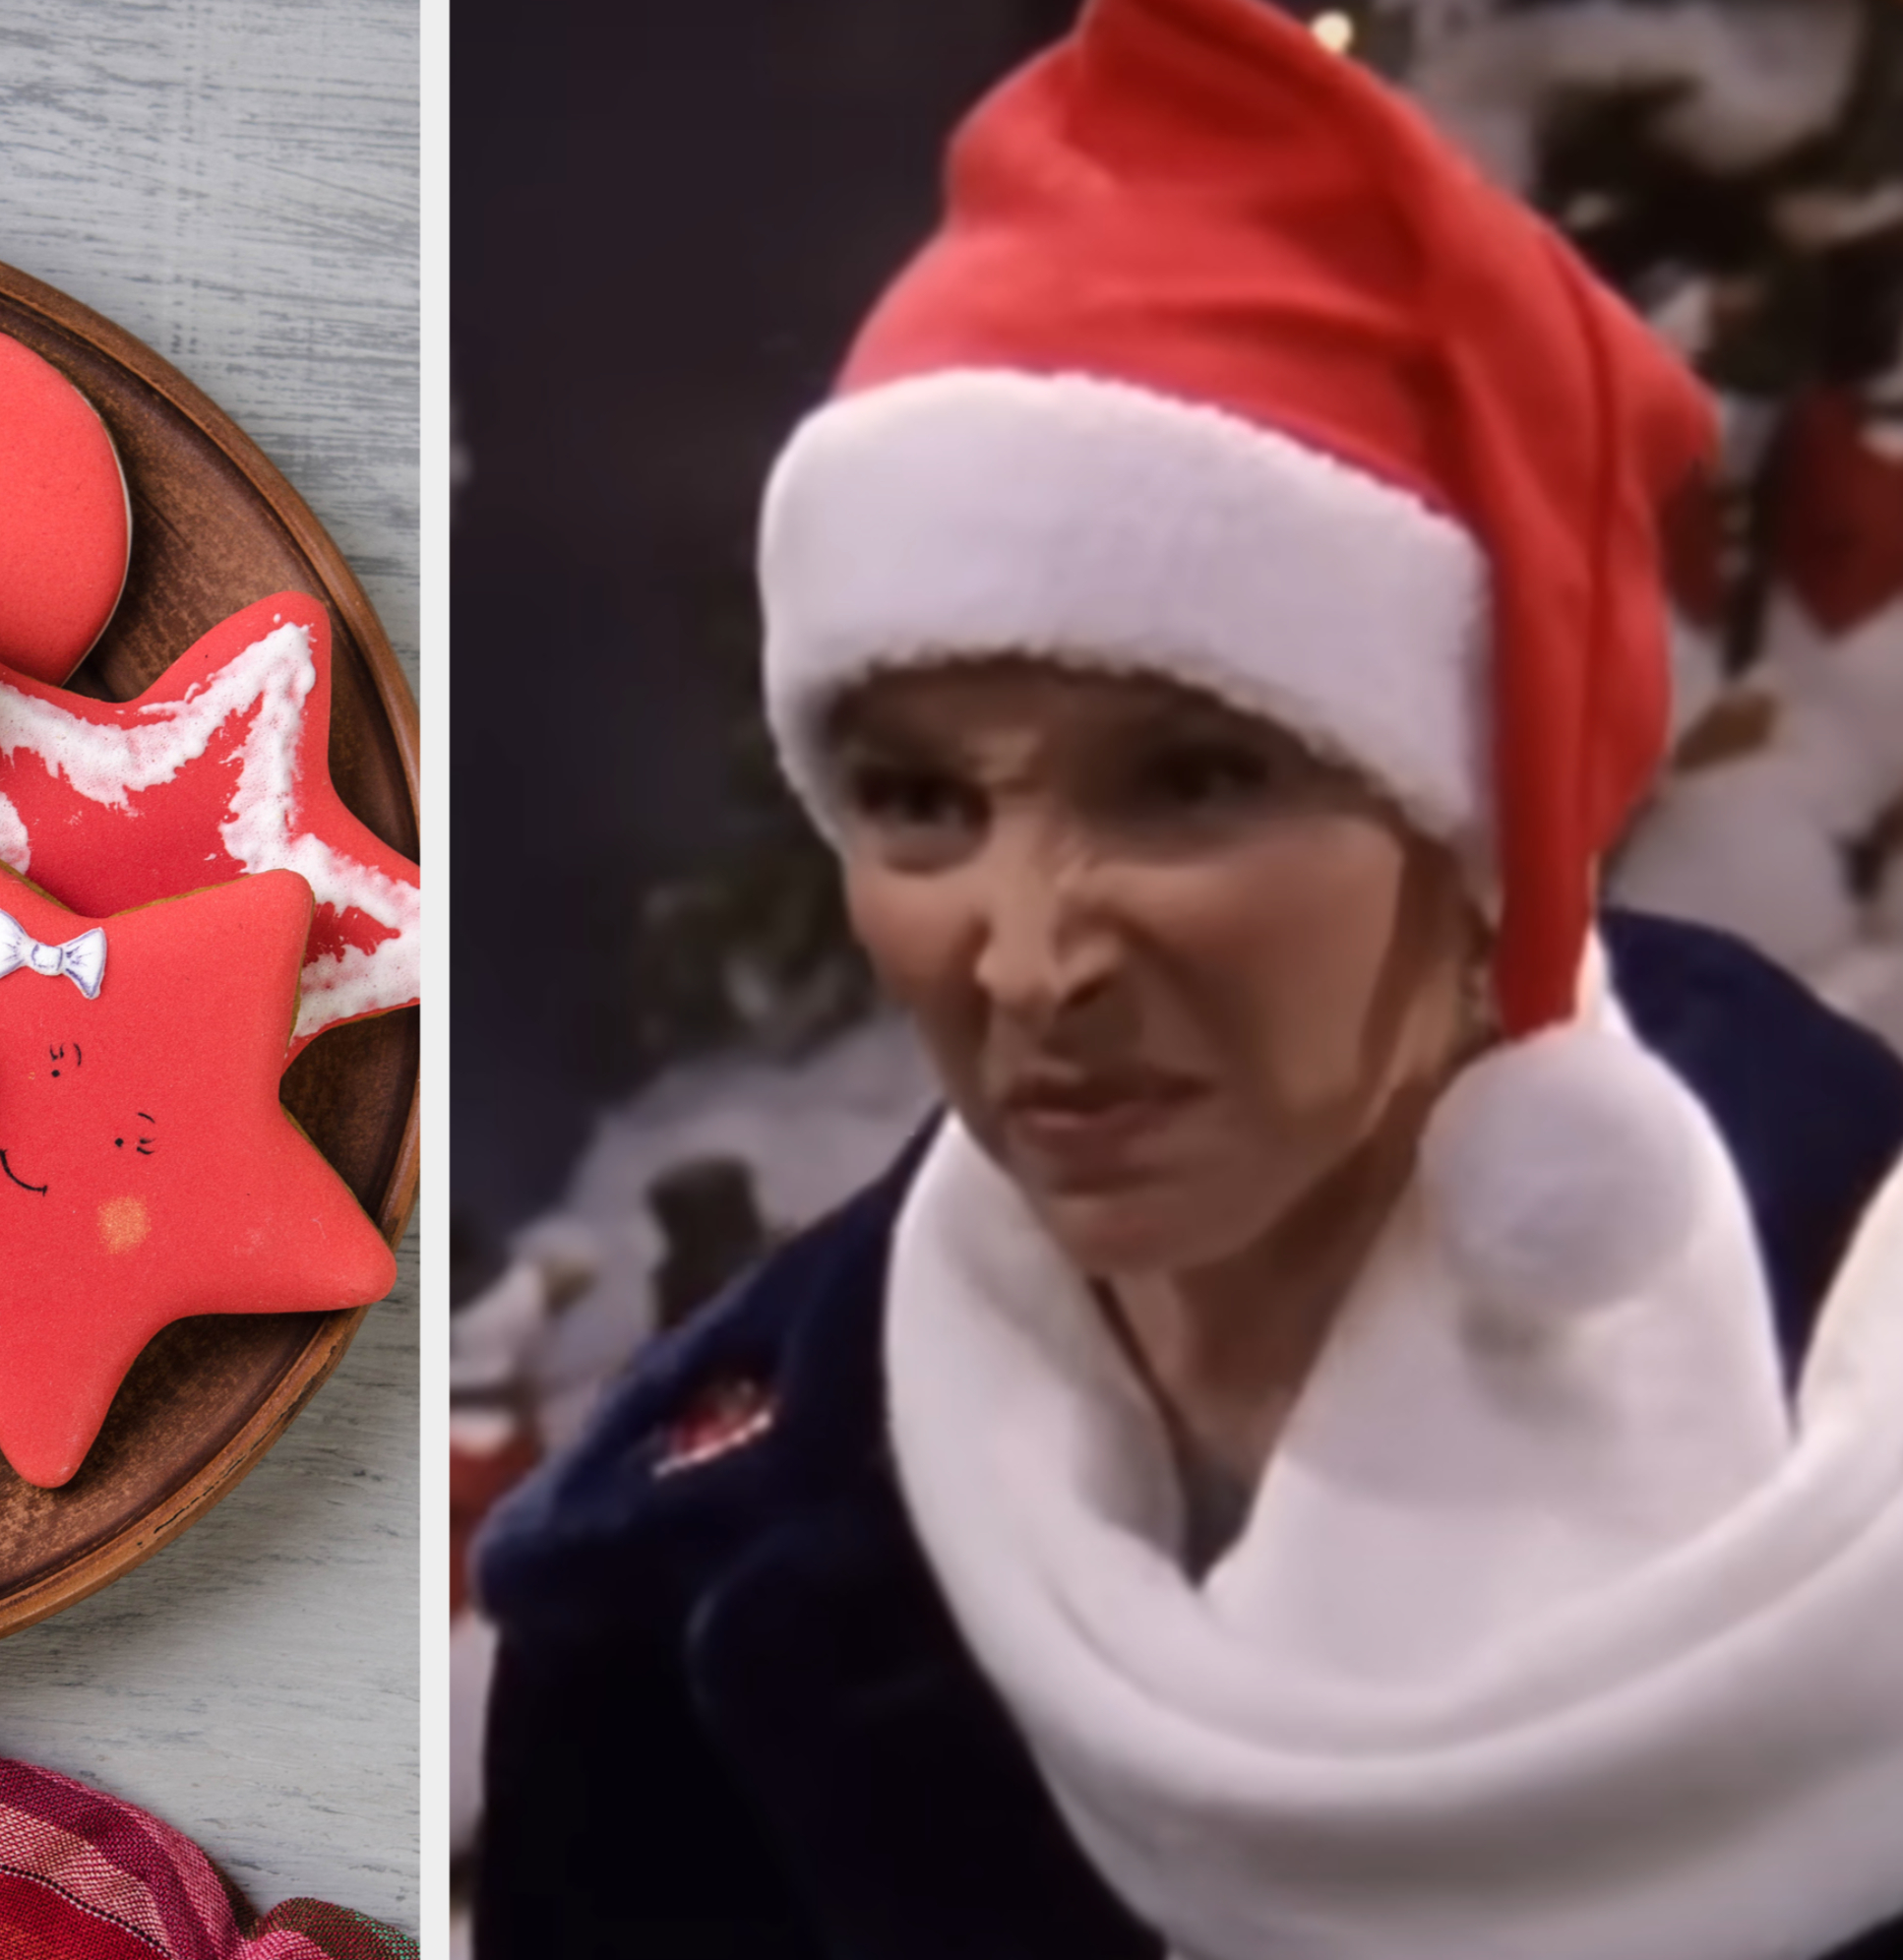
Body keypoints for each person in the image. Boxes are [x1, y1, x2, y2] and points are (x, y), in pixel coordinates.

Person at [468, 1, 1903, 1955]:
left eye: (1189, 783)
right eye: (914, 806)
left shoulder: (1847, 1298)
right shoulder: (690, 1594)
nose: (1032, 956)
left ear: (1471, 814)